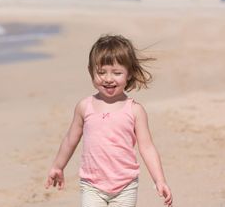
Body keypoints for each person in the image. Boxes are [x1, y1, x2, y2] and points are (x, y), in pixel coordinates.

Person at [45, 35, 172, 207]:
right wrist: (58, 166)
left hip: (125, 185)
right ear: (91, 71)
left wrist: (159, 180)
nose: (108, 78)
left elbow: (147, 147)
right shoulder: (85, 107)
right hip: (92, 185)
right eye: (101, 72)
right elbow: (70, 139)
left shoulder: (135, 110)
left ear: (129, 74)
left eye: (117, 73)